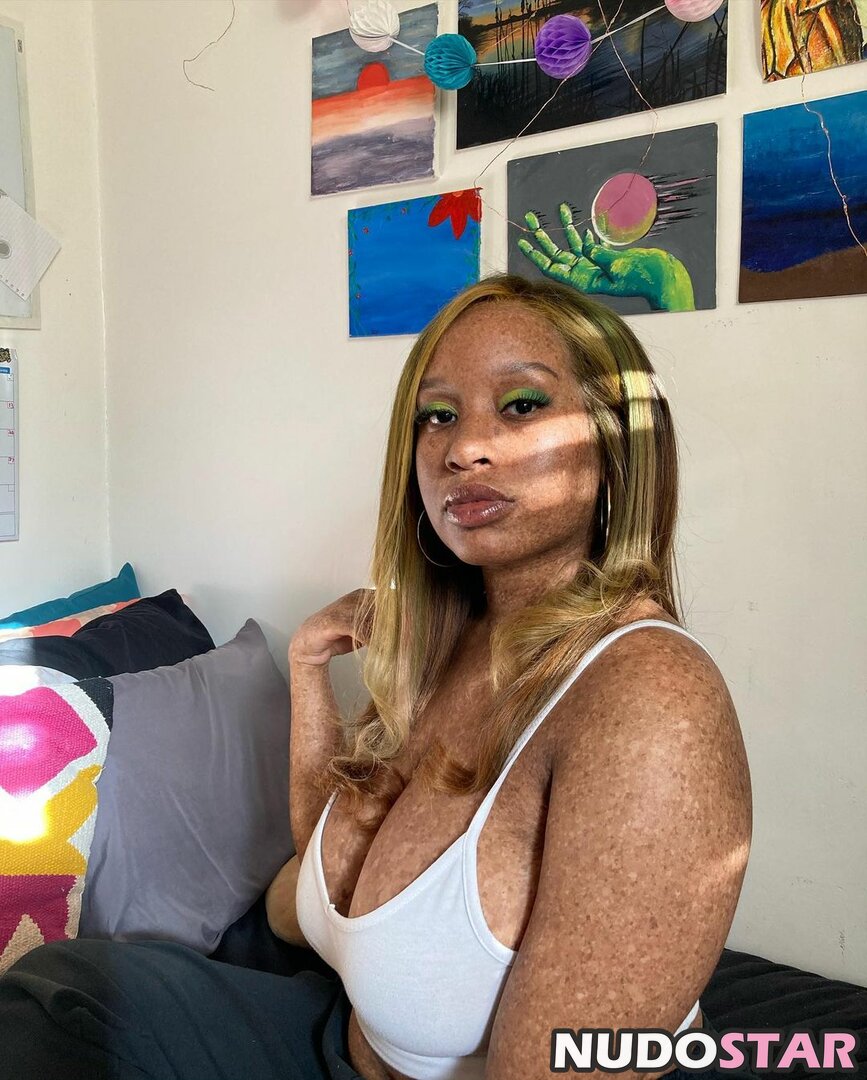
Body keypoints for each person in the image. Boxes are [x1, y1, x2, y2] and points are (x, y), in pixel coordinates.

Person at [0, 274, 751, 1080]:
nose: (463, 448)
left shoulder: (651, 700)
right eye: (438, 415)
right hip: (339, 1037)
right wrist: (307, 669)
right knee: (57, 989)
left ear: (615, 443)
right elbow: (325, 880)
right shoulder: (458, 638)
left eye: (522, 405)